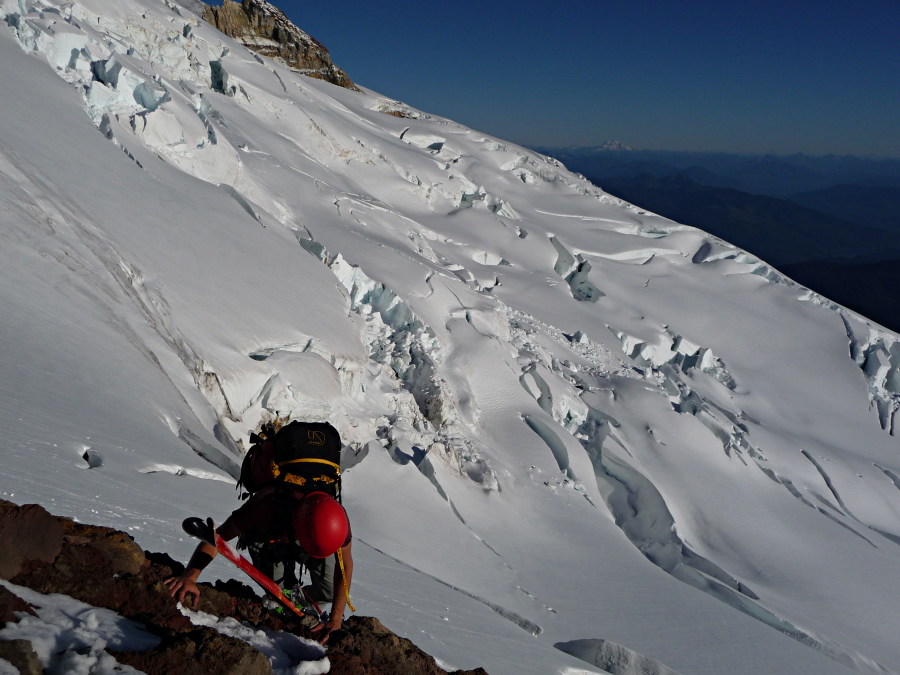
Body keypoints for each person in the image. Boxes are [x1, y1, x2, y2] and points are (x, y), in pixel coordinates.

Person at [165, 487, 353, 644]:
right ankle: (283, 596)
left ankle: (294, 599)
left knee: (329, 591)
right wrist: (190, 576)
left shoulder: (337, 519)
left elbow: (344, 564)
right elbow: (218, 538)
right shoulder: (266, 506)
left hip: (309, 535)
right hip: (269, 536)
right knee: (277, 593)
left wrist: (336, 618)